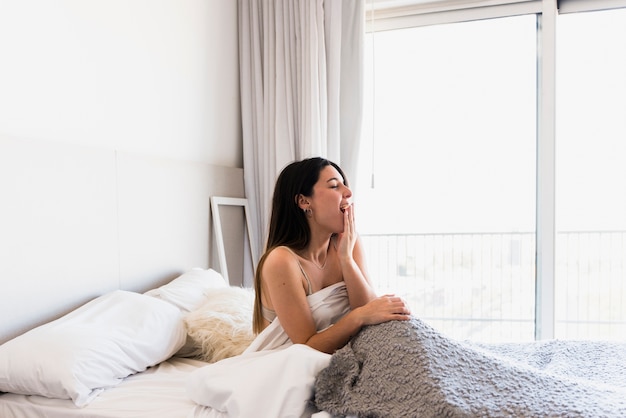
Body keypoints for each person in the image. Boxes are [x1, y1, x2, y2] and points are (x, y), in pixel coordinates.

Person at [250, 157, 411, 354]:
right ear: (303, 201)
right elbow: (305, 348)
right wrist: (358, 317)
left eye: (345, 185)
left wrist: (346, 259)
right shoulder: (281, 261)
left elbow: (371, 311)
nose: (348, 192)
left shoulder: (347, 242)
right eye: (335, 186)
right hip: (288, 363)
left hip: (343, 353)